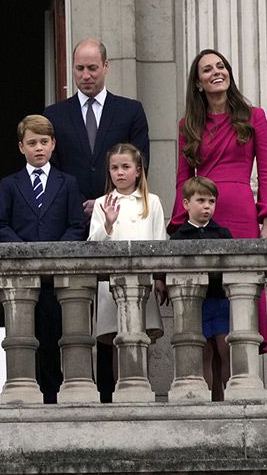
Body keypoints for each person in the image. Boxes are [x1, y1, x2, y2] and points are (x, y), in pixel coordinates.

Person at [43, 37, 151, 402]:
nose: (86, 75)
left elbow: (140, 161)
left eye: (92, 68)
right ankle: (67, 390)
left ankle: (110, 391)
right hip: (71, 225)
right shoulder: (55, 115)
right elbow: (51, 170)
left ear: (106, 67)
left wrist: (107, 200)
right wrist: (80, 206)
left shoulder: (130, 110)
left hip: (118, 221)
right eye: (79, 68)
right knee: (70, 312)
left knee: (111, 310)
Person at [167, 49, 267, 356]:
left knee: (243, 293)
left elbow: (266, 172)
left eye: (221, 66)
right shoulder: (188, 125)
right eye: (207, 69)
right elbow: (183, 180)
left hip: (242, 215)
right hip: (204, 217)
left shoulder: (254, 116)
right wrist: (181, 227)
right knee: (207, 302)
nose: (216, 72)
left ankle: (243, 379)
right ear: (198, 82)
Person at [0, 114, 86, 404]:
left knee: (57, 339)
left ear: (53, 144)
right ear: (22, 148)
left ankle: (56, 398)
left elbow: (76, 225)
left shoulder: (67, 182)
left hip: (57, 278)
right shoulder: (9, 184)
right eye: (32, 143)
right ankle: (29, 397)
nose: (39, 148)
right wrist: (24, 251)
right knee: (23, 340)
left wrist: (55, 252)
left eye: (44, 142)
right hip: (22, 279)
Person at [88, 143, 166, 383]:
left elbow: (160, 242)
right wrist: (108, 224)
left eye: (125, 167)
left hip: (144, 282)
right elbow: (92, 245)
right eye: (114, 168)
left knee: (141, 338)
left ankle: (142, 388)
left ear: (138, 170)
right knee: (116, 341)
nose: (119, 173)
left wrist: (161, 278)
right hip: (111, 284)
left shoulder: (152, 202)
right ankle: (121, 392)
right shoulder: (102, 203)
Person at [170, 176, 232, 400]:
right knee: (204, 352)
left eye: (212, 201)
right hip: (196, 305)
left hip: (220, 300)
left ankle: (230, 398)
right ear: (186, 204)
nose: (207, 206)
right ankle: (206, 401)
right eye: (201, 200)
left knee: (226, 350)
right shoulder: (178, 238)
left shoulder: (223, 234)